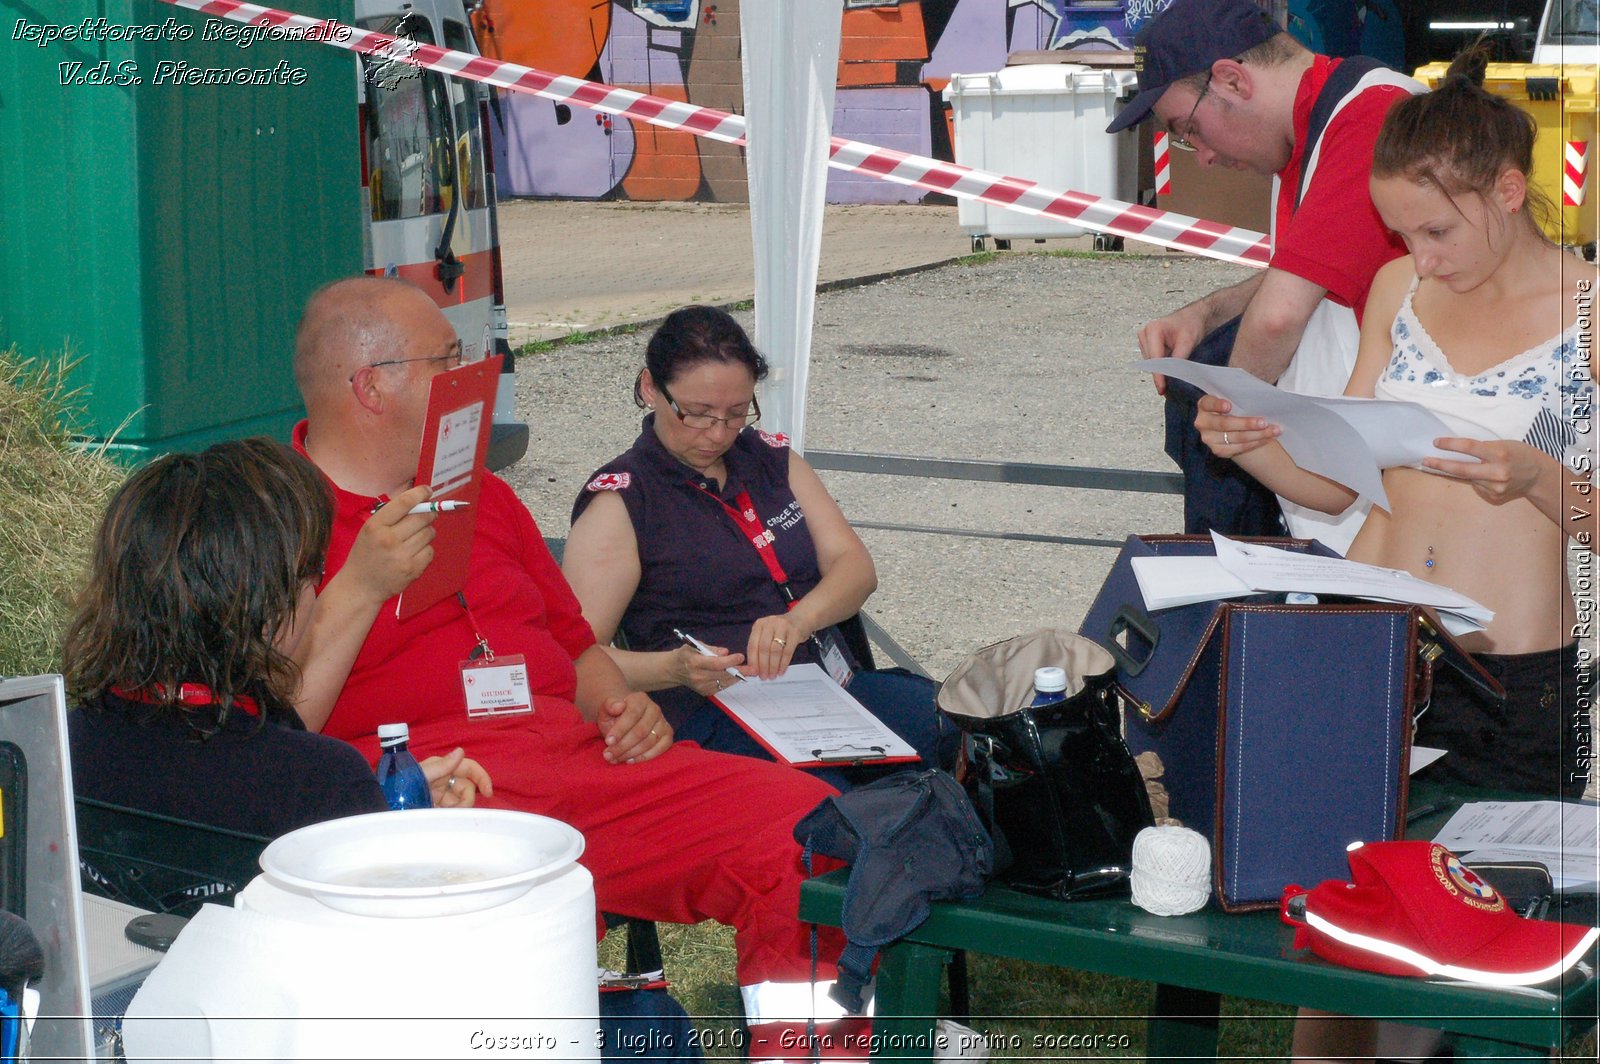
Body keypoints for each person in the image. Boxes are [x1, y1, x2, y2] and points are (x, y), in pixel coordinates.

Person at [288, 276, 848, 1035]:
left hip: (584, 768)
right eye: (448, 359)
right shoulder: (276, 522)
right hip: (446, 797)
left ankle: (808, 1052)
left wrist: (624, 707)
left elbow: (576, 643)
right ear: (371, 387)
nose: (474, 379)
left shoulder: (482, 495)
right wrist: (359, 587)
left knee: (811, 831)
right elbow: (276, 725)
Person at [1197, 46, 1595, 806]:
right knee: (1349, 887)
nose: (1421, 257)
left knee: (1501, 906)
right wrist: (1248, 445)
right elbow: (1338, 487)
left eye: (1436, 231)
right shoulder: (1396, 289)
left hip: (1507, 681)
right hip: (1368, 646)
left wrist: (1541, 478)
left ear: (1509, 192)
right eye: (1401, 234)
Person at [560, 305, 943, 788]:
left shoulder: (770, 458)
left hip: (827, 686)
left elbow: (855, 567)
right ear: (650, 388)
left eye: (737, 413)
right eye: (697, 414)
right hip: (715, 710)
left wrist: (798, 619)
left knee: (965, 732)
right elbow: (571, 655)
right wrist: (674, 669)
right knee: (831, 805)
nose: (718, 434)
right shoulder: (623, 500)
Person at [1106, 0, 1421, 550]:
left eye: (1189, 129)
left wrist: (1227, 416)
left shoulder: (1371, 118)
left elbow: (1279, 315)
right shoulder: (1310, 128)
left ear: (1231, 80)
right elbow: (1319, 266)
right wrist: (1207, 313)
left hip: (1383, 513)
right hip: (1351, 494)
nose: (1199, 156)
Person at [63, 438, 489, 840]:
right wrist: (376, 817)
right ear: (267, 609)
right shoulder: (319, 782)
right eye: (313, 576)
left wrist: (377, 808)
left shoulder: (59, 748)